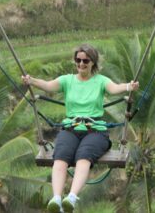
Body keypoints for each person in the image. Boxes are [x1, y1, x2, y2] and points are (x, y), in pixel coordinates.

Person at [22, 44, 139, 213]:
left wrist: (128, 87)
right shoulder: (67, 80)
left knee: (83, 158)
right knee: (60, 157)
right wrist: (31, 81)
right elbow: (48, 85)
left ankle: (71, 197)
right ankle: (56, 198)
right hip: (71, 128)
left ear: (93, 63)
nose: (81, 64)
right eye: (78, 60)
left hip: (95, 130)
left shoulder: (100, 81)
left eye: (85, 60)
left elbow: (114, 89)